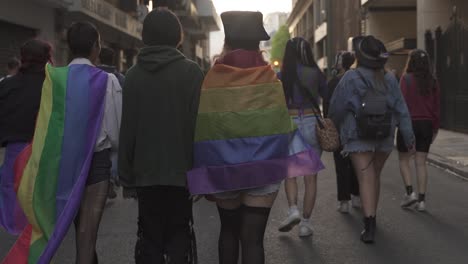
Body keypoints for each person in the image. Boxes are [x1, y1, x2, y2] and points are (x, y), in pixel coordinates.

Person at [187, 12, 323, 264]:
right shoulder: (270, 78)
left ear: (227, 41)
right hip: (264, 167)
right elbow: (279, 124)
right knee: (253, 239)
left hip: (223, 168)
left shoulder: (212, 78)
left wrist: (202, 169)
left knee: (228, 232)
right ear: (257, 44)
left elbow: (205, 127)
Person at [2, 22, 121, 264]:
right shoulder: (108, 81)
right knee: (86, 236)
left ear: (69, 47)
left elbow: (46, 125)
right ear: (96, 47)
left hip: (62, 162)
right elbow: (115, 134)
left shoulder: (54, 79)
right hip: (96, 165)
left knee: (52, 229)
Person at [118, 9, 203, 264]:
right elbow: (199, 127)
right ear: (178, 36)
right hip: (182, 174)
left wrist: (126, 177)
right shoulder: (192, 73)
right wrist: (199, 175)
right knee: (179, 235)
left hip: (145, 176)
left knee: (150, 237)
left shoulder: (132, 76)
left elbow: (128, 129)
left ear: (145, 36)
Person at [329, 36, 415, 244]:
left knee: (365, 178)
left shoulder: (350, 77)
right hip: (384, 136)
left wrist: (336, 129)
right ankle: (372, 216)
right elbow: (401, 109)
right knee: (374, 176)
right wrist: (408, 136)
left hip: (358, 137)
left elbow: (336, 109)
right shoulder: (390, 79)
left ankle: (370, 224)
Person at [0, 39, 52, 234]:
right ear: (47, 59)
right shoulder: (53, 87)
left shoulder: (7, 85)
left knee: (13, 208)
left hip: (14, 156)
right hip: (46, 152)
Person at [277, 37, 327, 237]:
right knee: (310, 176)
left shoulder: (283, 75)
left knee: (290, 173)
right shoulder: (316, 73)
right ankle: (306, 224)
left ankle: (293, 209)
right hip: (311, 122)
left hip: (290, 123)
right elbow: (326, 94)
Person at [397, 49, 440, 212]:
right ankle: (422, 201)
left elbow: (401, 105)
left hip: (409, 124)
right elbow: (437, 108)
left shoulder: (406, 79)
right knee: (421, 162)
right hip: (427, 125)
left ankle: (410, 193)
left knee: (404, 160)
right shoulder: (433, 81)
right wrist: (435, 128)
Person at [324, 51, 361, 213]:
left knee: (341, 165)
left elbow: (327, 106)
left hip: (338, 126)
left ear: (341, 63)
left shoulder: (333, 82)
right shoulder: (359, 80)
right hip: (356, 127)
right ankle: (357, 196)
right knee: (356, 163)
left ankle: (344, 200)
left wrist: (328, 123)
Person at [97, 46, 125, 200]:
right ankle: (111, 181)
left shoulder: (92, 75)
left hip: (95, 125)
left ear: (99, 57)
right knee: (114, 151)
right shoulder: (120, 78)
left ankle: (105, 183)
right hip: (115, 120)